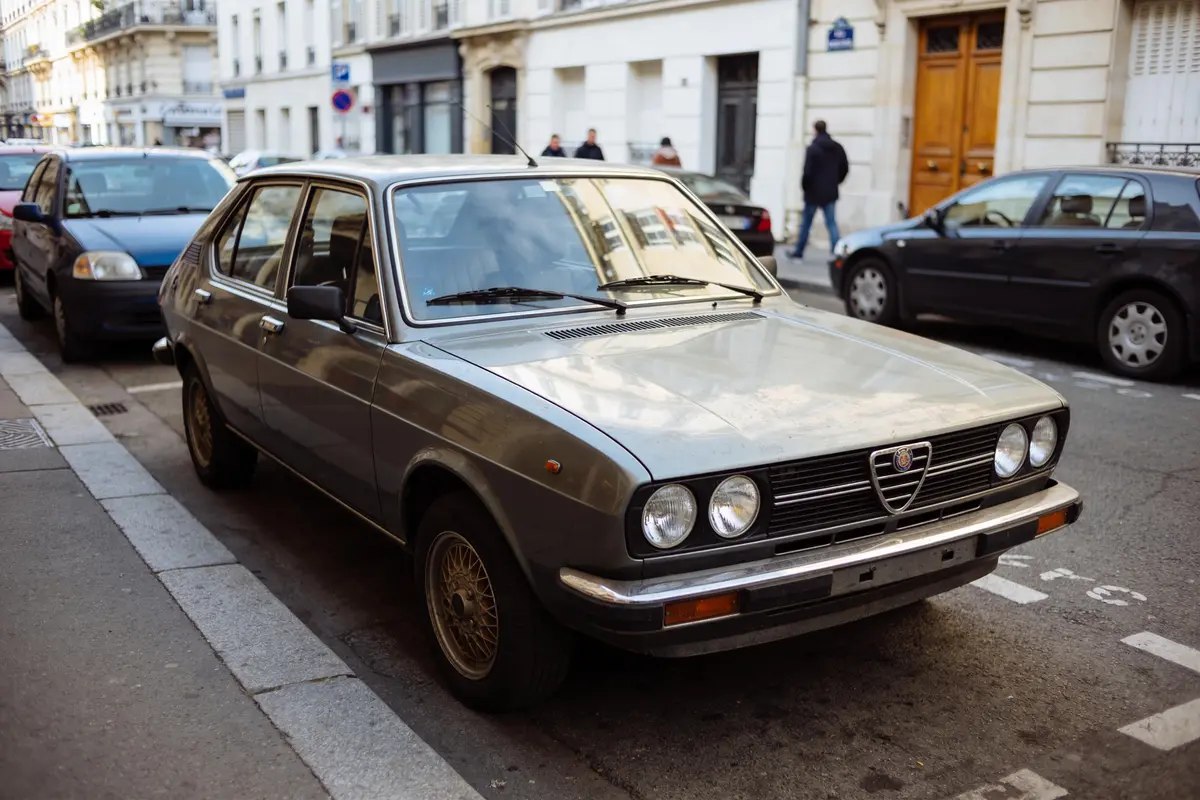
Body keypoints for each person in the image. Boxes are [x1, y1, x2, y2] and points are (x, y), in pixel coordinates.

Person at [790, 120, 848, 259]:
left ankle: (799, 251)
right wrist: (836, 182)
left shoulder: (813, 149)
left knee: (806, 224)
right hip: (830, 192)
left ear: (815, 130)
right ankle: (836, 251)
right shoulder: (837, 148)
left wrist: (805, 187)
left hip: (813, 193)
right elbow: (845, 168)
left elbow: (807, 172)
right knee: (831, 223)